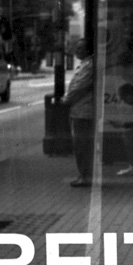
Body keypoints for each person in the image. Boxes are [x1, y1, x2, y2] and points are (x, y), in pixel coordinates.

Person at [60, 47, 95, 187]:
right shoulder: (86, 64)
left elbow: (79, 86)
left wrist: (66, 99)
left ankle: (85, 176)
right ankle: (84, 175)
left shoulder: (89, 65)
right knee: (81, 145)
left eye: (80, 47)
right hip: (80, 110)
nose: (77, 50)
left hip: (83, 111)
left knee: (81, 145)